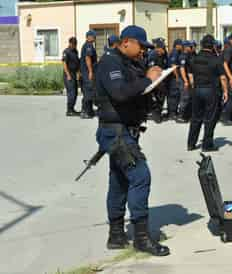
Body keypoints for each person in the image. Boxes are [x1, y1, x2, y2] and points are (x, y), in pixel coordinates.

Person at [95, 25, 169, 256]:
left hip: (126, 130)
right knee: (140, 175)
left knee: (119, 181)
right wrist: (147, 79)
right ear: (126, 42)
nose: (142, 52)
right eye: (140, 47)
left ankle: (116, 235)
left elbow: (138, 90)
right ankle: (141, 237)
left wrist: (156, 79)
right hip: (116, 131)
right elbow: (119, 92)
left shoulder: (128, 63)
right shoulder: (110, 63)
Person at [187, 35, 229, 152]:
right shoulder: (216, 60)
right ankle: (207, 145)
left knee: (195, 118)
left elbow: (190, 75)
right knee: (209, 119)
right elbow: (223, 78)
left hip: (197, 90)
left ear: (201, 45)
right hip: (211, 91)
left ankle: (191, 144)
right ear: (213, 46)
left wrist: (193, 86)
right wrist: (225, 91)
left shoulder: (194, 59)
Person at [147, 38, 169, 123]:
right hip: (155, 80)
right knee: (156, 98)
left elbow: (166, 65)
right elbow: (150, 69)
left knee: (161, 98)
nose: (163, 50)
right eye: (162, 49)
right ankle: (156, 115)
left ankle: (158, 113)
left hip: (162, 79)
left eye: (164, 48)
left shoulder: (164, 54)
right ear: (158, 48)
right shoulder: (153, 55)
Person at [80, 30, 98, 119]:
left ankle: (89, 110)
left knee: (90, 92)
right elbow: (88, 58)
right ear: (89, 37)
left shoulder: (88, 45)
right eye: (94, 36)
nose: (95, 38)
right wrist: (90, 71)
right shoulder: (88, 46)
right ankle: (85, 111)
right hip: (87, 73)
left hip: (86, 72)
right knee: (88, 92)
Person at [62, 37, 80, 116]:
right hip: (68, 75)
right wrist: (68, 75)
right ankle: (69, 110)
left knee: (75, 93)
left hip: (74, 74)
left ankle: (72, 109)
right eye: (73, 44)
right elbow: (64, 64)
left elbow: (77, 63)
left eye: (75, 44)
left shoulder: (75, 51)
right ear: (70, 43)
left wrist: (78, 73)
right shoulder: (66, 52)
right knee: (71, 93)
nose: (74, 45)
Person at [167, 39, 183, 120]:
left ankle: (173, 112)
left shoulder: (176, 52)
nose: (182, 46)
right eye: (180, 44)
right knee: (173, 95)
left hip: (173, 77)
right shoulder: (175, 52)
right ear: (177, 45)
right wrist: (177, 77)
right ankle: (172, 113)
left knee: (175, 95)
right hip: (173, 78)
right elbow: (173, 66)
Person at [176, 41, 193, 123]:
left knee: (188, 97)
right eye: (190, 46)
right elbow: (182, 69)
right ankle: (180, 116)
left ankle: (186, 115)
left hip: (186, 79)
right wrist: (186, 81)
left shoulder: (187, 55)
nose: (191, 48)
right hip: (183, 79)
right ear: (186, 47)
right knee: (184, 97)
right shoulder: (183, 56)